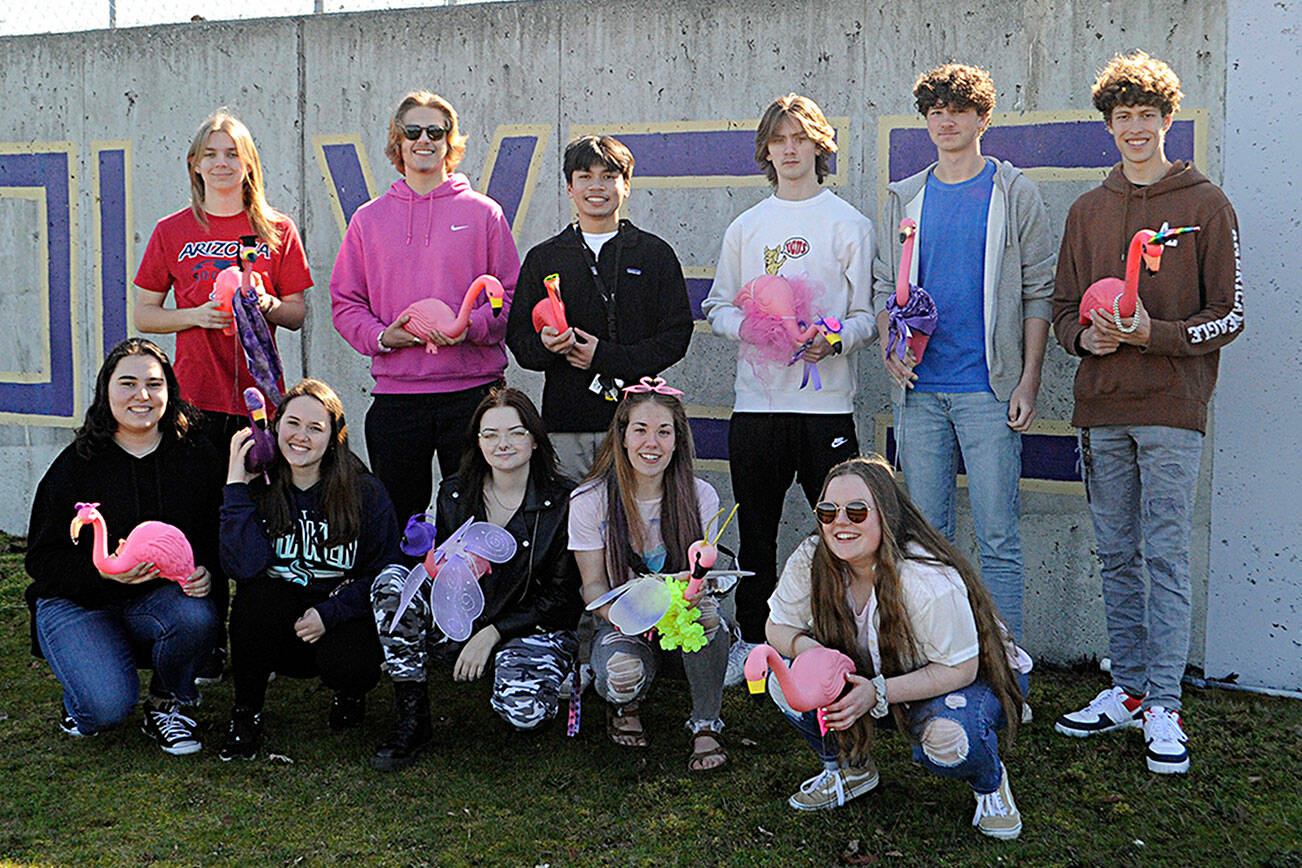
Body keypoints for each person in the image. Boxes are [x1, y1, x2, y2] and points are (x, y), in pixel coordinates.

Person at [1051, 51, 1243, 775]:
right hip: (1100, 410)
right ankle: (1127, 689)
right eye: (1122, 117)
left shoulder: (1206, 206)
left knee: (1163, 553)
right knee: (1116, 554)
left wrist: (1151, 336)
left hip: (1171, 408)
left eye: (1146, 116)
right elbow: (1064, 309)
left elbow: (1229, 317)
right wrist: (1085, 337)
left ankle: (1165, 700)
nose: (1135, 129)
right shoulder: (1087, 210)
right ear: (1108, 126)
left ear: (1169, 121)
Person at [871, 63, 1056, 643]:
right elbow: (883, 290)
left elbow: (1038, 293)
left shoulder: (1014, 192)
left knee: (998, 537)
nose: (945, 120)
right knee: (925, 539)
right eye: (934, 111)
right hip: (919, 392)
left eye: (957, 109)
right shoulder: (907, 195)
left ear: (982, 118)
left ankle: (1008, 668)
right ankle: (939, 658)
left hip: (988, 390)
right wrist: (887, 344)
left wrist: (1027, 381)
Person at [134, 108, 313, 680]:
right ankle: (207, 641)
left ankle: (263, 642)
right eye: (210, 153)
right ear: (194, 164)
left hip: (260, 406)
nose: (221, 163)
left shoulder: (276, 230)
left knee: (262, 524)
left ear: (249, 164)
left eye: (232, 153)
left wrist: (266, 306)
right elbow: (142, 313)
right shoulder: (172, 231)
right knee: (202, 520)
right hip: (193, 403)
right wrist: (197, 315)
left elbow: (299, 310)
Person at [764, 456, 1030, 839]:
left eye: (857, 511)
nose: (840, 521)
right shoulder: (811, 557)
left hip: (964, 678)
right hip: (877, 678)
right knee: (785, 681)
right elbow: (777, 625)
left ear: (885, 514)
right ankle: (851, 766)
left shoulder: (924, 578)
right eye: (827, 510)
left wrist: (877, 692)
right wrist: (812, 655)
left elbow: (961, 669)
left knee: (949, 741)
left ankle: (990, 783)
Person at [702, 93, 876, 651]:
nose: (790, 148)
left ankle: (842, 642)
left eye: (800, 137)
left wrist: (836, 340)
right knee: (756, 533)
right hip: (756, 408)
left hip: (826, 408)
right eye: (779, 139)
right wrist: (752, 329)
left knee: (843, 535)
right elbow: (718, 305)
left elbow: (868, 316)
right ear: (766, 151)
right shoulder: (747, 227)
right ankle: (755, 646)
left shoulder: (849, 223)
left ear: (820, 145)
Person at [330, 91, 520, 524]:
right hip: (398, 398)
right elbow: (345, 302)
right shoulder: (368, 219)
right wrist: (382, 337)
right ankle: (402, 590)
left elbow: (507, 296)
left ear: (450, 142)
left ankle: (477, 592)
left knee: (477, 516)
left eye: (436, 131)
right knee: (397, 521)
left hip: (474, 395)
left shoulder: (484, 214)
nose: (424, 140)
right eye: (412, 131)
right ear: (397, 142)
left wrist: (469, 327)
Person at [25, 338, 221, 755]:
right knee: (105, 710)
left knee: (195, 617)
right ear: (106, 391)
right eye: (127, 383)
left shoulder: (195, 455)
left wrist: (203, 569)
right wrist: (97, 572)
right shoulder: (77, 464)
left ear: (170, 390)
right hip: (77, 602)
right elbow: (42, 558)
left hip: (153, 601)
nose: (142, 396)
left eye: (154, 384)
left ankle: (168, 702)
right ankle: (85, 688)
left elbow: (210, 532)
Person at [370, 388, 581, 771]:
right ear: (478, 442)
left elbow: (563, 596)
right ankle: (412, 715)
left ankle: (510, 669)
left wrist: (494, 632)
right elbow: (444, 574)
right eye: (490, 434)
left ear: (534, 439)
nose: (503, 444)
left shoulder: (565, 501)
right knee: (393, 583)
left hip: (530, 625)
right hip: (465, 618)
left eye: (515, 433)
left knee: (525, 712)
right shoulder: (453, 492)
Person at [217, 379, 402, 761]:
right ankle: (246, 713)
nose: (301, 437)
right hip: (277, 625)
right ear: (274, 426)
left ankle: (349, 692)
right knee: (256, 596)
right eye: (292, 423)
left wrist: (329, 612)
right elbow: (242, 567)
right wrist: (236, 484)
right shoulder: (259, 488)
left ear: (334, 436)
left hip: (338, 618)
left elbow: (386, 571)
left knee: (351, 665)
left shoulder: (365, 492)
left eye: (316, 428)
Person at [505, 134, 693, 481]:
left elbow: (677, 337)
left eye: (609, 176)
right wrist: (547, 346)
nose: (597, 186)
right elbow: (519, 342)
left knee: (635, 520)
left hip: (637, 425)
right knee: (569, 522)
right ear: (569, 188)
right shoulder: (544, 257)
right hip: (566, 424)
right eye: (585, 176)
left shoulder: (653, 254)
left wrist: (604, 357)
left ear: (626, 186)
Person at [569, 379, 733, 772]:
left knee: (710, 618)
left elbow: (701, 574)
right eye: (640, 430)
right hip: (622, 622)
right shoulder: (589, 499)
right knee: (622, 676)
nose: (651, 443)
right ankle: (625, 703)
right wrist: (632, 616)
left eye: (664, 432)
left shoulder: (701, 495)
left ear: (678, 440)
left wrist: (692, 592)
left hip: (680, 620)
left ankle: (705, 722)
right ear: (622, 436)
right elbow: (592, 586)